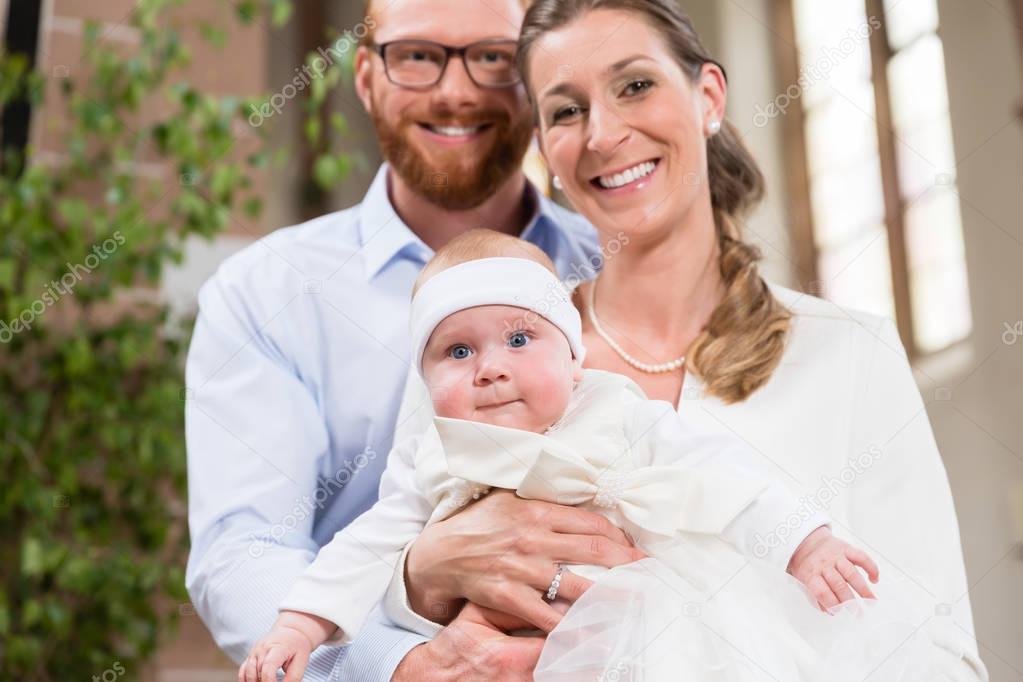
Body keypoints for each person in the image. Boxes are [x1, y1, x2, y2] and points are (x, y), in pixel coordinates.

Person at [388, 0, 988, 679]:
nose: (602, 133)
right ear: (545, 152)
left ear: (707, 97)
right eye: (565, 110)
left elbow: (940, 653)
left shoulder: (849, 354)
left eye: (634, 85)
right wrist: (422, 574)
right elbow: (369, 617)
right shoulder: (476, 357)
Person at [184, 1, 634, 680]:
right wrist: (406, 665)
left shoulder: (619, 267)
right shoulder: (265, 293)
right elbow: (246, 552)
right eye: (417, 55)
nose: (456, 92)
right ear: (365, 77)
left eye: (492, 58)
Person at [240, 230, 913, 682]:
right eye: (458, 351)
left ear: (571, 354)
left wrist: (805, 541)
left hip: (648, 634)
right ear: (424, 380)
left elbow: (721, 474)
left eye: (518, 338)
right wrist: (300, 624)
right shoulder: (431, 455)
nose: (490, 370)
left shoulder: (619, 413)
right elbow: (365, 546)